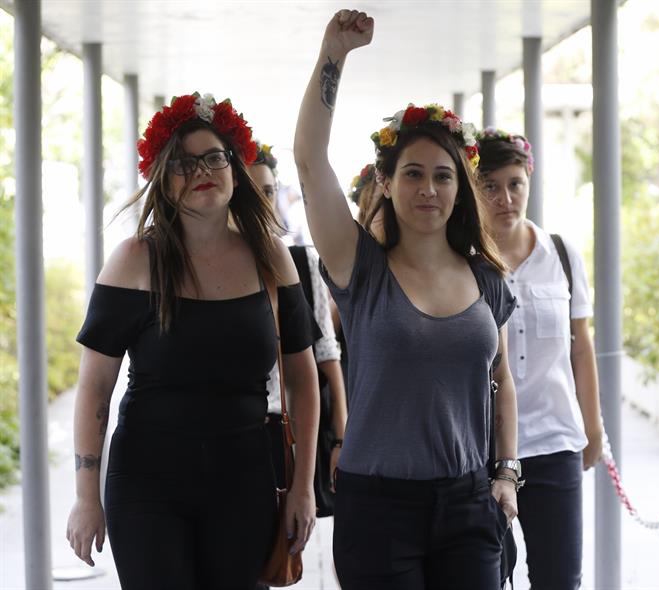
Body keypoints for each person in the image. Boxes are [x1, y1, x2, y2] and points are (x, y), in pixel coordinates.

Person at [294, 10, 521, 589]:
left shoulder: (486, 279)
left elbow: (501, 380)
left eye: (443, 176)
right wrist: (332, 56)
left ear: (459, 187)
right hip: (379, 508)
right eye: (413, 174)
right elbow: (309, 160)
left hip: (469, 503)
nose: (428, 189)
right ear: (387, 184)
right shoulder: (360, 268)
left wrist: (506, 474)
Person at [66, 93, 319, 589]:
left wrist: (303, 489)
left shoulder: (271, 257)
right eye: (183, 164)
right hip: (146, 484)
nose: (201, 170)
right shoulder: (134, 260)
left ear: (234, 167)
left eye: (213, 157)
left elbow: (304, 380)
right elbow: (94, 388)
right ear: (163, 178)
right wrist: (85, 496)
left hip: (244, 478)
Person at [476, 128, 602, 590]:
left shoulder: (562, 255)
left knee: (559, 578)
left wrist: (594, 426)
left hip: (555, 445)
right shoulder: (462, 261)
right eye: (490, 185)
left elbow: (580, 347)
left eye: (515, 183)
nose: (505, 198)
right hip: (482, 451)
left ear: (529, 182)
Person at [248, 141, 347, 504]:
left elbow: (325, 352)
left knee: (282, 554)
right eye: (251, 190)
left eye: (269, 190)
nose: (262, 201)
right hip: (231, 430)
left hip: (281, 428)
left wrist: (341, 433)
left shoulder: (302, 263)